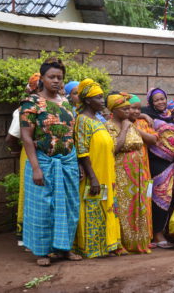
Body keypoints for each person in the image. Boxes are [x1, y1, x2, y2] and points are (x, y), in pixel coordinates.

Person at [20, 58, 81, 266]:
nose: (56, 81)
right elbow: (26, 137)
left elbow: (71, 135)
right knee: (43, 207)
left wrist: (77, 164)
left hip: (68, 163)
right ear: (43, 78)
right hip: (44, 163)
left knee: (70, 207)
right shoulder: (31, 103)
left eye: (59, 78)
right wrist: (36, 167)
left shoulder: (66, 103)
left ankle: (65, 249)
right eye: (51, 77)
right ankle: (43, 251)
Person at [74, 79, 124, 258]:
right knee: (92, 209)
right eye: (98, 97)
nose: (102, 101)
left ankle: (108, 245)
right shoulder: (82, 120)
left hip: (107, 173)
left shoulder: (98, 120)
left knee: (107, 208)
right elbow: (82, 151)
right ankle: (91, 248)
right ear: (88, 100)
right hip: (94, 175)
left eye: (103, 97)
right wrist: (92, 177)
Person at [105, 93, 152, 254]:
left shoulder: (132, 124)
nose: (128, 111)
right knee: (123, 207)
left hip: (137, 173)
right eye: (124, 109)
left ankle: (137, 242)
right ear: (114, 110)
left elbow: (146, 141)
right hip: (121, 173)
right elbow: (115, 148)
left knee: (138, 205)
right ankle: (122, 243)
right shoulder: (109, 126)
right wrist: (124, 129)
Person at [142, 87, 174, 249]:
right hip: (155, 162)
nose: (160, 102)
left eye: (162, 98)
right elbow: (131, 114)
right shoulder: (147, 114)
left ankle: (163, 230)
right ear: (151, 102)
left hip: (172, 163)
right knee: (158, 197)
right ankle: (156, 233)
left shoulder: (173, 116)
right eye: (156, 100)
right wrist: (143, 115)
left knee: (169, 198)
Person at [8, 72, 40, 243]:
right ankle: (27, 236)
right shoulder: (23, 109)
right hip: (29, 155)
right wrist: (15, 150)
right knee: (29, 192)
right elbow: (11, 137)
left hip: (38, 154)